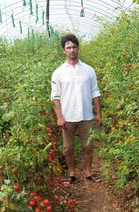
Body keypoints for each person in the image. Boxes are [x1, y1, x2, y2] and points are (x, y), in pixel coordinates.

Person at [51, 34, 101, 184]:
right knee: (68, 148)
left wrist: (98, 112)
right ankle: (72, 173)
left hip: (86, 115)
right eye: (68, 47)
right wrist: (59, 117)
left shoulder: (88, 70)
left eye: (74, 47)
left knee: (88, 146)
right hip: (68, 116)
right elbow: (55, 97)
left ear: (78, 48)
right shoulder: (58, 72)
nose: (71, 50)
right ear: (63, 51)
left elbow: (95, 92)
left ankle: (88, 172)